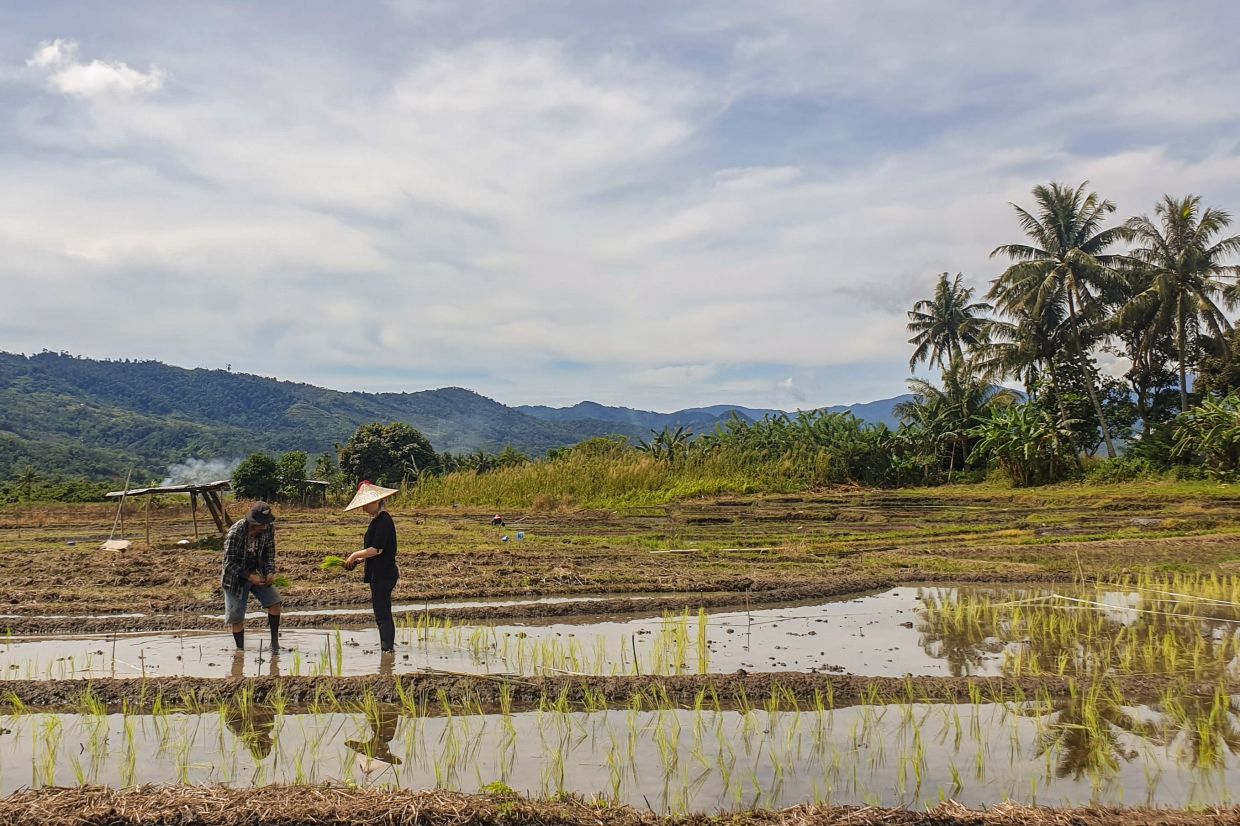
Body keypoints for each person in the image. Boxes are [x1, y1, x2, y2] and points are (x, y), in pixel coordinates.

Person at [342, 481, 400, 654]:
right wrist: (360, 560)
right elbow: (376, 551)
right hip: (379, 572)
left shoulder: (383, 520)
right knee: (382, 612)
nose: (363, 508)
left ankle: (387, 650)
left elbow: (377, 549)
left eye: (365, 504)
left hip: (383, 574)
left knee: (382, 614)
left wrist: (354, 555)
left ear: (376, 501)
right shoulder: (378, 520)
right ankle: (387, 648)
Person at [221, 501, 282, 651]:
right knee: (236, 616)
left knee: (275, 601)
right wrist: (248, 576)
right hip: (235, 577)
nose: (264, 527)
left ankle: (274, 644)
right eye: (261, 524)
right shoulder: (236, 532)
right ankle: (240, 651)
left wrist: (269, 572)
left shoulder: (269, 529)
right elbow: (229, 563)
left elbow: (269, 553)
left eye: (266, 523)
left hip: (256, 572)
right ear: (253, 523)